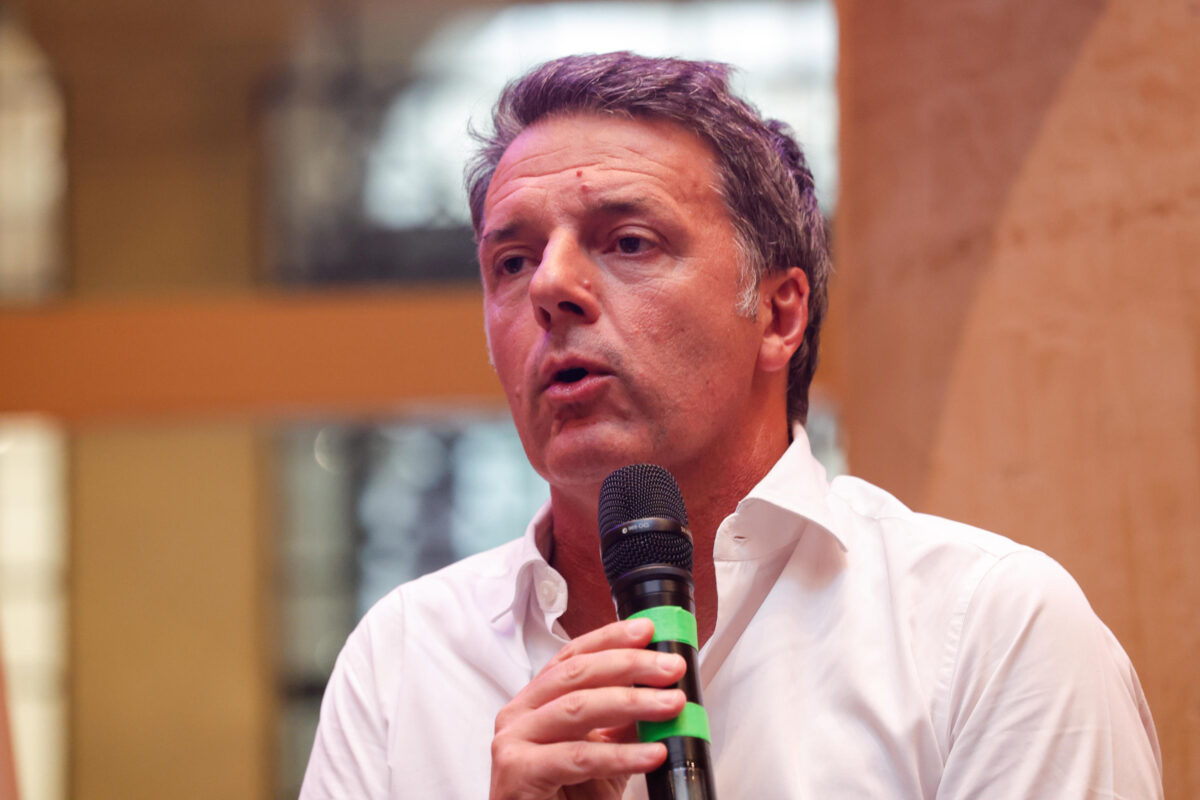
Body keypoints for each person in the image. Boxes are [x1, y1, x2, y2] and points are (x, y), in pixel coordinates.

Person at [299, 52, 1162, 799]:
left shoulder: (986, 631)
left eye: (628, 241)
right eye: (512, 260)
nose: (550, 288)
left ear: (779, 314)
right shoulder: (404, 659)